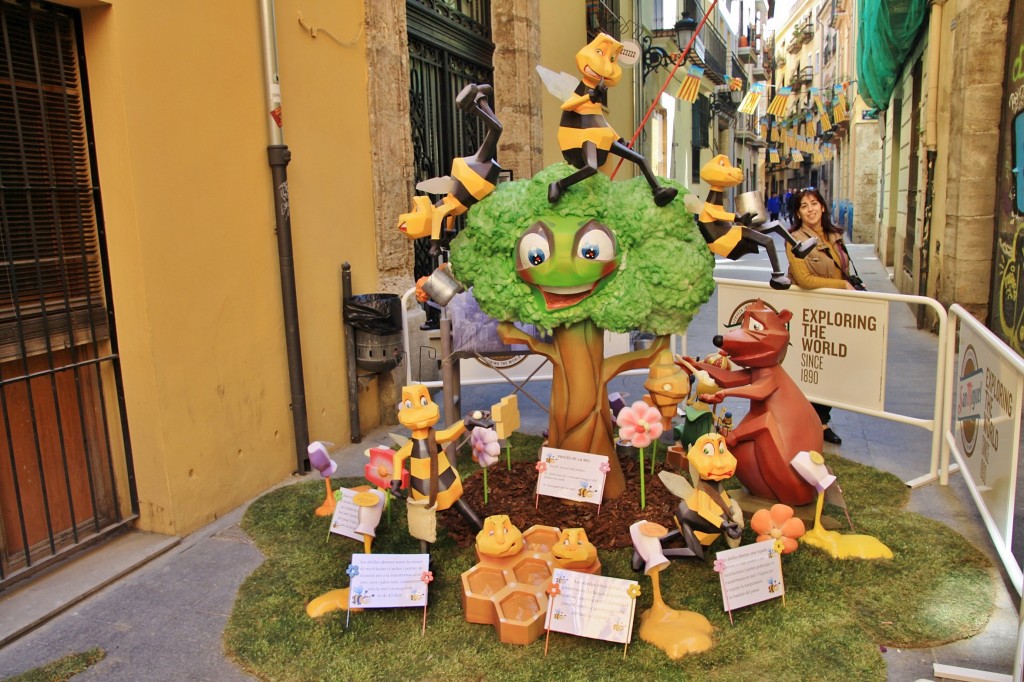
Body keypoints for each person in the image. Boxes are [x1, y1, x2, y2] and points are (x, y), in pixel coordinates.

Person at [784, 188, 859, 446]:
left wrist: (849, 285)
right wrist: (841, 286)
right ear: (798, 213)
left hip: (836, 310)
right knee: (811, 364)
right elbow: (804, 279)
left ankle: (821, 417)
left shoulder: (835, 235)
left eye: (814, 204)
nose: (810, 209)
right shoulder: (794, 239)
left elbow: (843, 269)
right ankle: (816, 422)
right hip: (809, 311)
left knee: (831, 366)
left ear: (823, 207)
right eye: (804, 206)